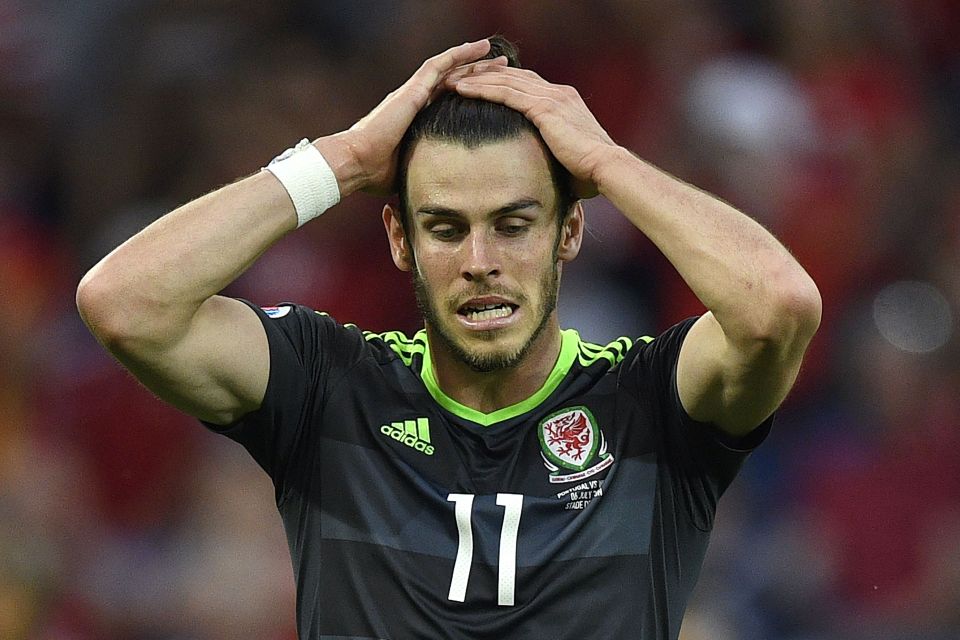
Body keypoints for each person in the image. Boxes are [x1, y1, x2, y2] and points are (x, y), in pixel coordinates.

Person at [76, 36, 821, 639]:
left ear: (571, 230)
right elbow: (125, 304)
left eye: (514, 224)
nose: (480, 263)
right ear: (399, 239)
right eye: (444, 228)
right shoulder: (332, 387)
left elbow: (779, 308)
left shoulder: (648, 403)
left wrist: (607, 162)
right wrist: (340, 160)